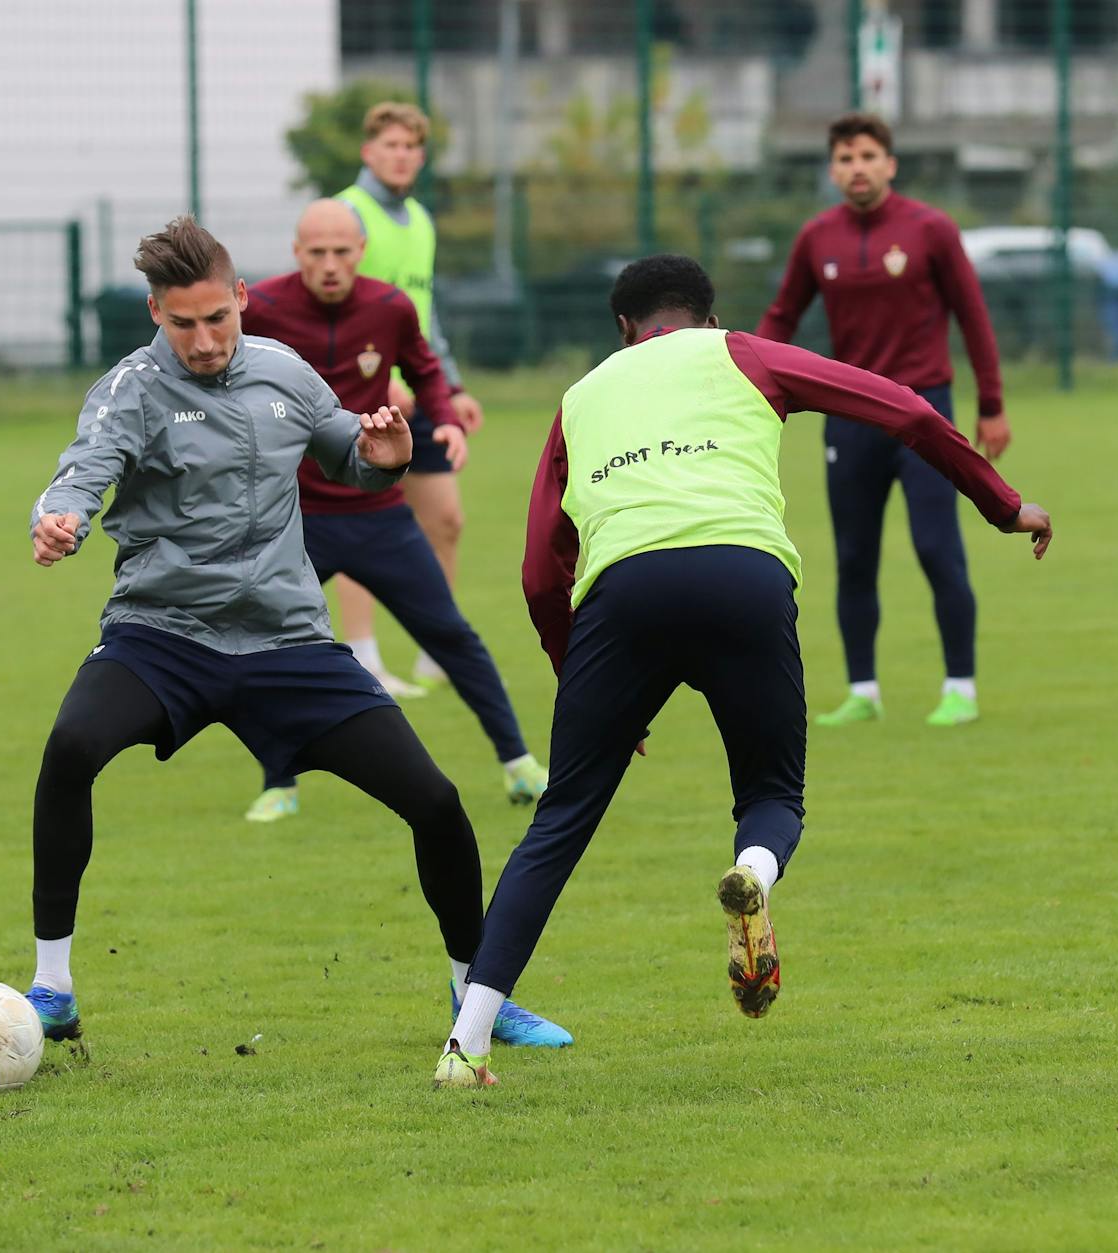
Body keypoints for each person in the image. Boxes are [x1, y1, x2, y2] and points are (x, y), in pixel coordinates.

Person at [434, 255, 1053, 1088]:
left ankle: (465, 1045)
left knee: (561, 821)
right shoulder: (746, 354)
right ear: (706, 314)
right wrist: (1002, 503)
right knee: (772, 795)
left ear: (624, 328)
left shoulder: (581, 397)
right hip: (743, 577)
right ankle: (753, 874)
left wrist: (576, 668)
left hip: (624, 595)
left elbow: (542, 572)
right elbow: (904, 408)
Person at [23, 216, 566, 1053]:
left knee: (436, 803)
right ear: (154, 314)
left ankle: (478, 999)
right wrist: (58, 517)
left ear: (242, 299)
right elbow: (84, 468)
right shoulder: (130, 389)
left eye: (217, 318)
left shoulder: (283, 371)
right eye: (182, 323)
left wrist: (384, 452)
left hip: (288, 644)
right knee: (69, 748)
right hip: (164, 635)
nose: (204, 341)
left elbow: (349, 450)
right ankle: (52, 986)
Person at [238, 200, 551, 828]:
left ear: (360, 251)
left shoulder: (389, 307)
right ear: (297, 254)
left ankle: (519, 763)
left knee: (452, 636)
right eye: (316, 252)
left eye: (341, 251)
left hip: (380, 514)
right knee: (261, 646)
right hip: (296, 519)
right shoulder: (264, 310)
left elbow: (425, 368)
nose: (330, 264)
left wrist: (446, 420)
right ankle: (280, 781)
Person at [757, 112, 1011, 729]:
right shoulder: (817, 238)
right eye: (845, 159)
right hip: (849, 417)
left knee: (936, 547)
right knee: (853, 555)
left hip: (926, 412)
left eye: (868, 156)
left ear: (890, 164)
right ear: (832, 170)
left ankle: (960, 687)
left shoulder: (931, 229)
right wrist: (748, 377)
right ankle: (862, 691)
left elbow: (973, 317)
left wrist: (992, 403)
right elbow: (782, 317)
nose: (857, 168)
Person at [331, 101, 486, 697]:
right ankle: (364, 657)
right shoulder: (348, 213)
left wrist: (452, 384)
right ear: (369, 152)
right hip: (365, 391)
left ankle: (434, 649)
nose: (401, 156)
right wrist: (377, 372)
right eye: (390, 145)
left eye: (411, 147)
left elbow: (426, 314)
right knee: (359, 527)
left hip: (420, 394)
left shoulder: (420, 219)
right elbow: (340, 304)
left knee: (445, 519)